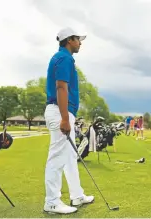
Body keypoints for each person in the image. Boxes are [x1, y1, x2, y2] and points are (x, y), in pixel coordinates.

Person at [44, 27, 94, 214]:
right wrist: (65, 118)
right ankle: (51, 202)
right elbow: (61, 88)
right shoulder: (64, 58)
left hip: (63, 112)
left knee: (70, 156)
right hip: (60, 112)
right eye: (78, 39)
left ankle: (77, 195)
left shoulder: (64, 58)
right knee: (57, 157)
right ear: (69, 40)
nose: (80, 42)